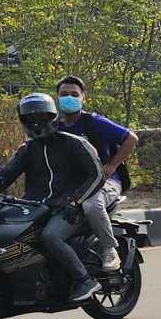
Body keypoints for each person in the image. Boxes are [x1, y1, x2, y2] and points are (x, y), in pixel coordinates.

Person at [0, 93, 104, 303]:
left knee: (50, 237)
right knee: (6, 233)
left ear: (53, 116)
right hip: (36, 208)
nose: (36, 123)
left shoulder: (73, 143)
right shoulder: (28, 150)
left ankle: (84, 279)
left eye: (42, 117)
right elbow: (6, 176)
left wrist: (76, 200)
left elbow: (96, 175)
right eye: (30, 119)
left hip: (70, 208)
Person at [54, 75, 137, 272]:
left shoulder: (94, 122)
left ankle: (110, 249)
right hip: (74, 186)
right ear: (56, 98)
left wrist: (112, 166)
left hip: (105, 182)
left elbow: (131, 138)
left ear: (83, 98)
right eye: (64, 94)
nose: (69, 98)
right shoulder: (54, 127)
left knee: (92, 204)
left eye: (74, 94)